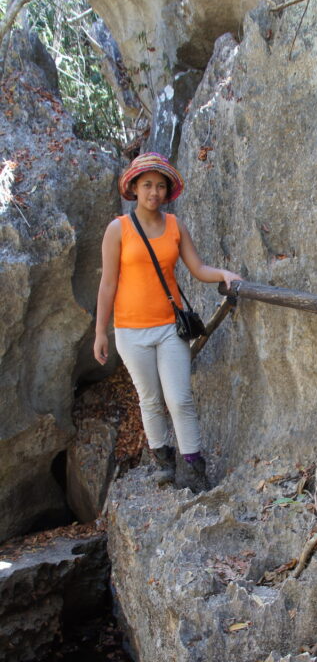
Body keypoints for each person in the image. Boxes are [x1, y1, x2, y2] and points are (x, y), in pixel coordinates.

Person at [93, 151, 240, 490]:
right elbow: (108, 284)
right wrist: (101, 332)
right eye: (147, 185)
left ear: (167, 191)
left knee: (179, 398)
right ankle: (163, 461)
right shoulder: (118, 229)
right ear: (134, 188)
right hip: (130, 331)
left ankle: (194, 465)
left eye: (160, 186)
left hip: (169, 327)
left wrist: (223, 274)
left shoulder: (175, 226)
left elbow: (198, 268)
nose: (154, 192)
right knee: (150, 398)